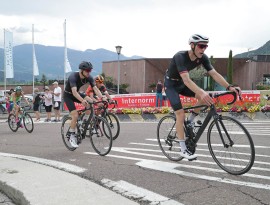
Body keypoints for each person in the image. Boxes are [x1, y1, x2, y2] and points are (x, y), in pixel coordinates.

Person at [164, 34, 241, 160]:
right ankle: (183, 149)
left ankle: (190, 121)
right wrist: (201, 92)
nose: (203, 49)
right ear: (192, 45)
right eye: (201, 46)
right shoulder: (180, 57)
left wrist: (229, 87)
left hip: (182, 84)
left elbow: (214, 74)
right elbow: (187, 80)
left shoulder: (203, 58)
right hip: (171, 84)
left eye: (205, 46)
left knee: (206, 98)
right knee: (180, 114)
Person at [64, 61, 106, 148]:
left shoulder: (89, 77)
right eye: (87, 70)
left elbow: (96, 89)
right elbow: (74, 92)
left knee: (91, 102)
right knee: (75, 115)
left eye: (90, 70)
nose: (89, 72)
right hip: (68, 95)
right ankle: (71, 135)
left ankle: (84, 121)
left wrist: (102, 98)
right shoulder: (73, 77)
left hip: (78, 94)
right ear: (82, 70)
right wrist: (82, 100)